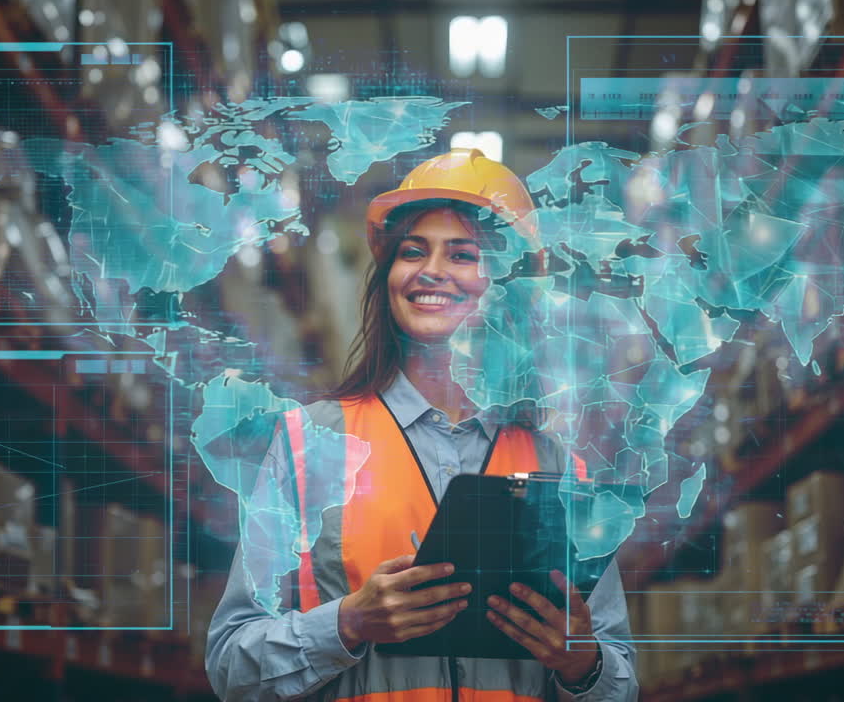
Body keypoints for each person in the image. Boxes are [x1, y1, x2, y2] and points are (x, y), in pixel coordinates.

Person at [206, 148, 639, 700]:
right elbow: (230, 664)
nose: (431, 270)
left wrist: (581, 663)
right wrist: (345, 624)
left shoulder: (559, 469)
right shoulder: (309, 444)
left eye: (462, 254)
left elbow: (621, 677)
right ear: (389, 277)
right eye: (413, 251)